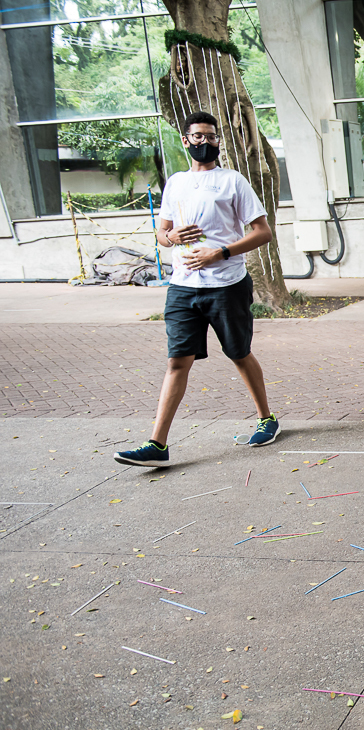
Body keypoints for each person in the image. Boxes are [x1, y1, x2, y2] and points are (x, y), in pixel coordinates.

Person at [114, 110, 276, 467]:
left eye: (211, 136)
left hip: (226, 284)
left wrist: (220, 251)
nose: (206, 142)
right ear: (186, 141)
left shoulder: (233, 181)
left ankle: (267, 418)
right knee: (177, 361)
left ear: (218, 141)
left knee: (238, 353)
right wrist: (169, 237)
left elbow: (262, 232)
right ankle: (158, 444)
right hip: (183, 287)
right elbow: (163, 231)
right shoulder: (175, 183)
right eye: (198, 137)